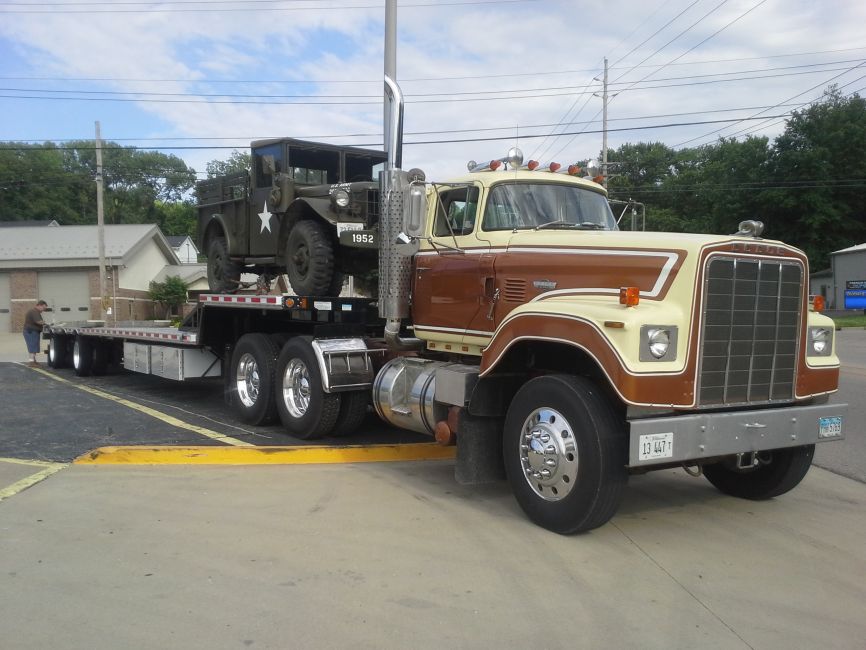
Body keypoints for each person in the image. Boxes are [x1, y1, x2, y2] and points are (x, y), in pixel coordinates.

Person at [23, 299, 48, 367]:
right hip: (31, 332)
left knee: (33, 346)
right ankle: (31, 362)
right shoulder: (34, 312)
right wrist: (46, 324)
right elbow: (38, 321)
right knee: (33, 346)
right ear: (39, 305)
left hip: (31, 331)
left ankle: (33, 361)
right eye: (43, 307)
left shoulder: (34, 311)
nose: (43, 310)